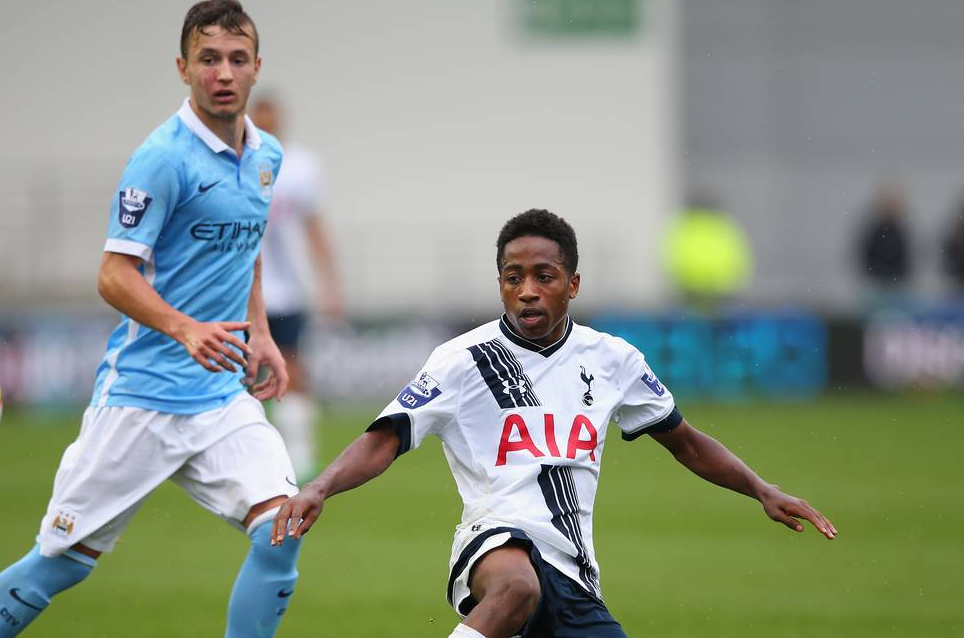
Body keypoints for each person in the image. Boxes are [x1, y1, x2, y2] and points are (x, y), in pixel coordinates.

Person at [271, 209, 836, 638]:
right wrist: (319, 485)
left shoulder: (613, 360)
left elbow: (685, 443)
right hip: (495, 543)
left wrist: (760, 488)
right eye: (513, 277)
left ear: (573, 283)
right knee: (517, 587)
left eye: (544, 275)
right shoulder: (463, 359)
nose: (527, 290)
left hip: (573, 569)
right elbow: (386, 438)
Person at [0, 0, 302, 638]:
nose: (222, 73)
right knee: (56, 570)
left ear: (257, 67)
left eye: (235, 59)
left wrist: (262, 334)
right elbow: (114, 274)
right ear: (183, 68)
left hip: (220, 400)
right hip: (140, 401)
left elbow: (248, 247)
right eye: (207, 59)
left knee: (283, 529)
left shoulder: (266, 156)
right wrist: (184, 327)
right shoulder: (162, 159)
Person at [250, 94, 344, 480]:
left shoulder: (301, 167)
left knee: (293, 367)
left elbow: (313, 226)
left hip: (287, 290)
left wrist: (329, 284)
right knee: (241, 370)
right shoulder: (232, 162)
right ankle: (246, 452)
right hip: (242, 290)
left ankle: (301, 456)